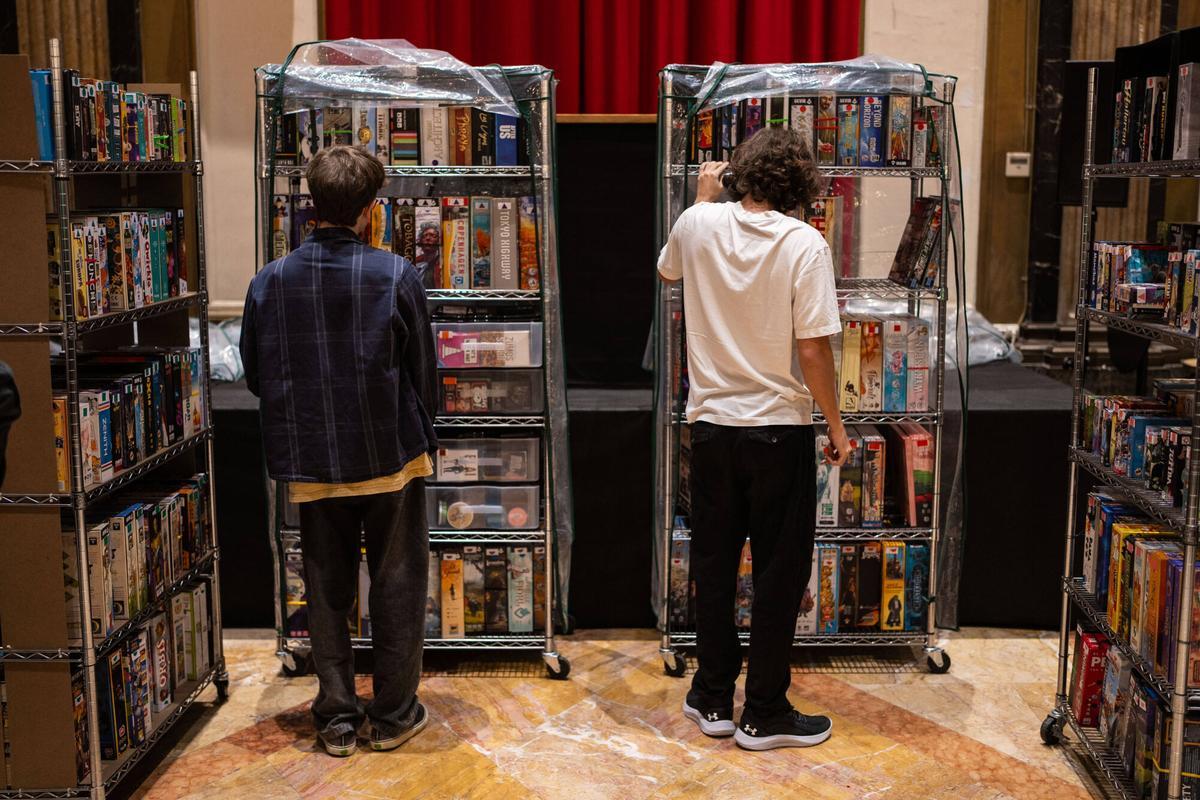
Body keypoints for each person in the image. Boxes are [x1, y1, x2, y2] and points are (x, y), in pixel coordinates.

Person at [240, 145, 437, 757]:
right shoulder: (398, 274)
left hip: (312, 457)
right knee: (398, 583)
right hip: (390, 455)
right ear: (371, 210)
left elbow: (254, 371)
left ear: (310, 203)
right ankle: (395, 714)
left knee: (324, 587)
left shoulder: (268, 281)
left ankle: (337, 718)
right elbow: (422, 374)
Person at [657, 126, 850, 751]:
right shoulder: (805, 243)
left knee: (711, 563)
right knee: (777, 571)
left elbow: (667, 274)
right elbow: (813, 346)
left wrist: (704, 198)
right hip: (777, 430)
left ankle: (712, 696)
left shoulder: (697, 223)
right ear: (801, 185)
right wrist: (836, 423)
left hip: (711, 427)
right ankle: (764, 711)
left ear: (740, 172)